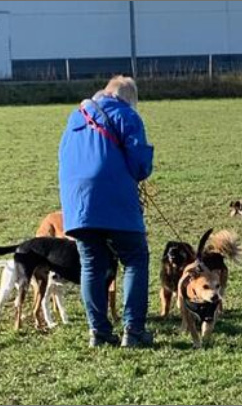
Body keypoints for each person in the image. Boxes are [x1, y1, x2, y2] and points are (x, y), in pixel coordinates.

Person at [58, 75, 154, 347]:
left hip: (78, 204)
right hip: (115, 199)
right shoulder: (127, 115)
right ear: (128, 99)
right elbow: (140, 166)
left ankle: (99, 332)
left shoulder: (74, 118)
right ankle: (133, 331)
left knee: (91, 264)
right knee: (135, 258)